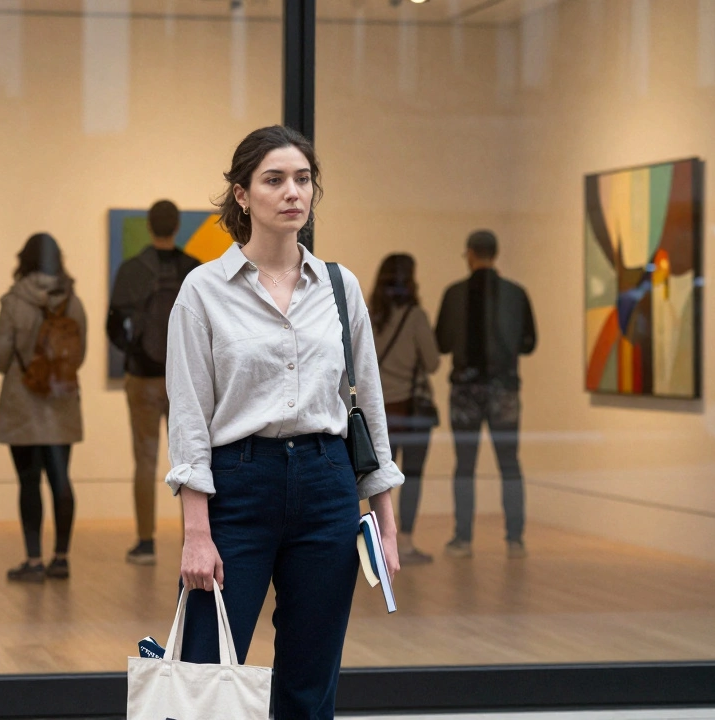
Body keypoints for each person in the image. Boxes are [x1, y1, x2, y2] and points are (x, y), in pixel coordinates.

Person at [169, 125, 403, 719]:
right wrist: (196, 532)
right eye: (274, 180)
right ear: (243, 196)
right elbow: (190, 419)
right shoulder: (203, 291)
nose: (292, 192)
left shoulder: (340, 287)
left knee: (310, 677)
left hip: (327, 487)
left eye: (303, 179)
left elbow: (369, 409)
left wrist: (386, 522)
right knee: (205, 669)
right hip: (238, 486)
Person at [107, 199, 201, 565]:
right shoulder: (192, 270)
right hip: (185, 383)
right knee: (190, 462)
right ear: (176, 226)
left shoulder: (131, 270)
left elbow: (113, 326)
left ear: (150, 226)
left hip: (143, 378)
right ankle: (190, 539)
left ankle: (145, 542)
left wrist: (135, 352)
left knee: (145, 460)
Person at [0, 233, 87, 583]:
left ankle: (32, 561)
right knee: (61, 481)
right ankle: (61, 559)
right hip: (61, 400)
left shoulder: (14, 301)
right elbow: (81, 352)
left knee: (28, 481)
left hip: (22, 403)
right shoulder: (72, 300)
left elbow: (1, 355)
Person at [434, 230, 537, 559]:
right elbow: (529, 343)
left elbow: (442, 343)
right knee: (510, 463)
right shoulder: (516, 294)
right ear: (495, 253)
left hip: (465, 389)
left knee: (465, 465)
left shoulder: (454, 294)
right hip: (504, 388)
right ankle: (515, 538)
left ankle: (463, 538)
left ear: (470, 254)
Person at [370, 253, 440, 565]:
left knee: (377, 479)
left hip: (378, 410)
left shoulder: (370, 316)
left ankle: (374, 544)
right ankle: (406, 542)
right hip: (410, 410)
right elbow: (434, 362)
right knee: (411, 475)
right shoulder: (416, 316)